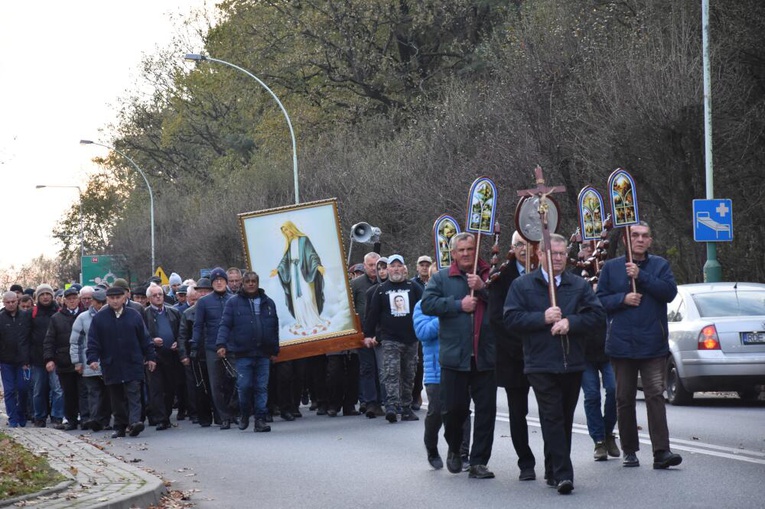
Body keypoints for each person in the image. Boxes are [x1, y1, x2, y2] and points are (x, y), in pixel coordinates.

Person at [504, 233, 605, 494]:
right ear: (540, 255)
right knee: (552, 415)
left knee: (564, 418)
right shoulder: (523, 285)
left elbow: (596, 315)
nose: (558, 258)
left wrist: (571, 323)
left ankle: (552, 467)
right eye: (553, 254)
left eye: (562, 254)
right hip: (539, 362)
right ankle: (564, 474)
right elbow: (511, 319)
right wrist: (543, 318)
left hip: (571, 361)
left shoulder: (577, 285)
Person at [596, 221, 682, 469]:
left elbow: (669, 293)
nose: (640, 240)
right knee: (624, 398)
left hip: (652, 344)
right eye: (635, 235)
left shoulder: (659, 265)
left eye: (645, 236)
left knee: (655, 395)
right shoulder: (611, 268)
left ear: (650, 241)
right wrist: (622, 299)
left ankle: (661, 451)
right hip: (622, 344)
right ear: (626, 239)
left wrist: (640, 276)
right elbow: (599, 301)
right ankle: (629, 450)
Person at [421, 233, 497, 480]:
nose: (466, 253)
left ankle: (478, 462)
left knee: (486, 412)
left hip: (485, 357)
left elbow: (505, 306)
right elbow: (427, 304)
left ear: (477, 251)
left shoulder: (490, 275)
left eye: (470, 249)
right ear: (453, 253)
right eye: (461, 250)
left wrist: (483, 289)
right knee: (454, 410)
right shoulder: (443, 278)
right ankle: (454, 448)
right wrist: (457, 305)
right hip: (454, 358)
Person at [487, 231, 538, 481]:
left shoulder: (546, 272)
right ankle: (525, 461)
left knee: (552, 410)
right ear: (511, 247)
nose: (523, 249)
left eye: (528, 244)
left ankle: (554, 461)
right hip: (513, 355)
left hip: (542, 354)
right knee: (518, 412)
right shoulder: (501, 277)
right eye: (518, 244)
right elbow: (496, 318)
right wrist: (520, 347)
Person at [413, 264, 471, 471]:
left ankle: (462, 454)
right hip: (436, 370)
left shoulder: (462, 301)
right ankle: (431, 447)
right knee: (437, 412)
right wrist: (444, 315)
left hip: (459, 364)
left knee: (462, 411)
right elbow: (422, 332)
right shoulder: (423, 305)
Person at [87, 286, 157, 438]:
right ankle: (120, 426)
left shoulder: (134, 315)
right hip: (111, 363)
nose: (115, 301)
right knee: (116, 397)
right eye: (112, 298)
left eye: (118, 297)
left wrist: (150, 356)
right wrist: (92, 358)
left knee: (134, 393)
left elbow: (145, 338)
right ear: (107, 299)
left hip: (132, 361)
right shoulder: (100, 318)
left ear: (125, 297)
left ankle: (134, 422)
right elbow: (93, 340)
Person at [216, 271, 279, 433]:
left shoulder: (268, 302)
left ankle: (260, 419)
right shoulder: (233, 303)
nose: (251, 284)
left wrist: (274, 349)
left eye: (254, 281)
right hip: (243, 353)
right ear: (243, 283)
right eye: (248, 281)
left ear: (258, 283)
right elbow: (225, 324)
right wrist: (221, 344)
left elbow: (274, 327)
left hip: (263, 353)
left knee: (261, 387)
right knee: (244, 386)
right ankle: (244, 413)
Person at [363, 254, 421, 423]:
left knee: (409, 374)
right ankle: (391, 406)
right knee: (391, 373)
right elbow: (372, 314)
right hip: (389, 339)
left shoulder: (413, 287)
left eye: (399, 266)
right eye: (392, 266)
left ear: (404, 268)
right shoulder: (381, 290)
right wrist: (368, 335)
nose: (396, 269)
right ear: (387, 269)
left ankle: (406, 408)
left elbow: (425, 306)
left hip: (411, 339)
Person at [191, 267, 237, 429]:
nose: (219, 282)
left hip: (232, 346)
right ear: (212, 283)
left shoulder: (234, 299)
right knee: (215, 384)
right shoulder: (204, 302)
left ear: (226, 282)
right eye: (216, 280)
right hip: (212, 347)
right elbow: (198, 325)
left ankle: (232, 410)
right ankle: (224, 416)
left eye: (222, 280)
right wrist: (195, 345)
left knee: (235, 379)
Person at [271, 221, 328, 336]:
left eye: (287, 229)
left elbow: (312, 254)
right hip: (293, 272)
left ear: (292, 228)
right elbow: (285, 260)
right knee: (296, 299)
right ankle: (301, 321)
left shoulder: (303, 240)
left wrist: (317, 266)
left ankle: (313, 320)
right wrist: (277, 269)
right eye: (284, 231)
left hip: (304, 271)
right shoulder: (290, 243)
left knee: (307, 296)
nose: (287, 233)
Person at [142, 283, 183, 430]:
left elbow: (181, 332)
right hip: (154, 356)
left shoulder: (173, 312)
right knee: (156, 388)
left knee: (170, 387)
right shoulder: (144, 314)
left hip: (171, 355)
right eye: (154, 295)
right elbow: (141, 335)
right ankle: (161, 418)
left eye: (160, 294)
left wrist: (178, 343)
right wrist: (152, 341)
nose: (158, 297)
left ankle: (167, 414)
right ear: (148, 298)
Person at [70, 288, 111, 431]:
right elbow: (76, 341)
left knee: (108, 394)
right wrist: (77, 362)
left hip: (108, 363)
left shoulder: (110, 316)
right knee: (93, 393)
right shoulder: (82, 318)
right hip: (89, 363)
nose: (99, 305)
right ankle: (95, 419)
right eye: (97, 302)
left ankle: (105, 420)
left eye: (102, 302)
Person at [43, 287, 82, 430]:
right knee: (69, 392)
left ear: (78, 299)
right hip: (64, 361)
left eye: (74, 298)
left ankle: (85, 418)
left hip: (82, 360)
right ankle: (71, 419)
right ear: (64, 301)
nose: (72, 301)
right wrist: (49, 359)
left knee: (83, 392)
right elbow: (49, 341)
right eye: (69, 299)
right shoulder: (56, 318)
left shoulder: (84, 315)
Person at [352, 252, 382, 418]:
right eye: (370, 265)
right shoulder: (356, 284)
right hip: (363, 333)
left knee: (383, 369)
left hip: (382, 334)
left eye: (376, 265)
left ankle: (383, 400)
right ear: (364, 266)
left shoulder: (384, 282)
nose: (373, 268)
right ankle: (370, 402)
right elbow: (351, 308)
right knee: (367, 368)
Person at [29, 284, 64, 428]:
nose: (45, 297)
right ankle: (39, 416)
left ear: (52, 296)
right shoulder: (31, 314)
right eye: (42, 294)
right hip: (37, 358)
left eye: (47, 294)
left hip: (55, 358)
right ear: (37, 297)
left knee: (57, 389)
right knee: (38, 390)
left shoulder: (59, 312)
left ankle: (57, 416)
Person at [0, 291, 32, 427]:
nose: (11, 304)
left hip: (22, 361)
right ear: (4, 303)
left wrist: (28, 359)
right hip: (6, 360)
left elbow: (30, 338)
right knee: (9, 390)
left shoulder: (25, 316)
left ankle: (21, 414)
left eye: (13, 301)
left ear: (17, 301)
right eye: (8, 302)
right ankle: (12, 418)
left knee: (23, 388)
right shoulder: (1, 318)